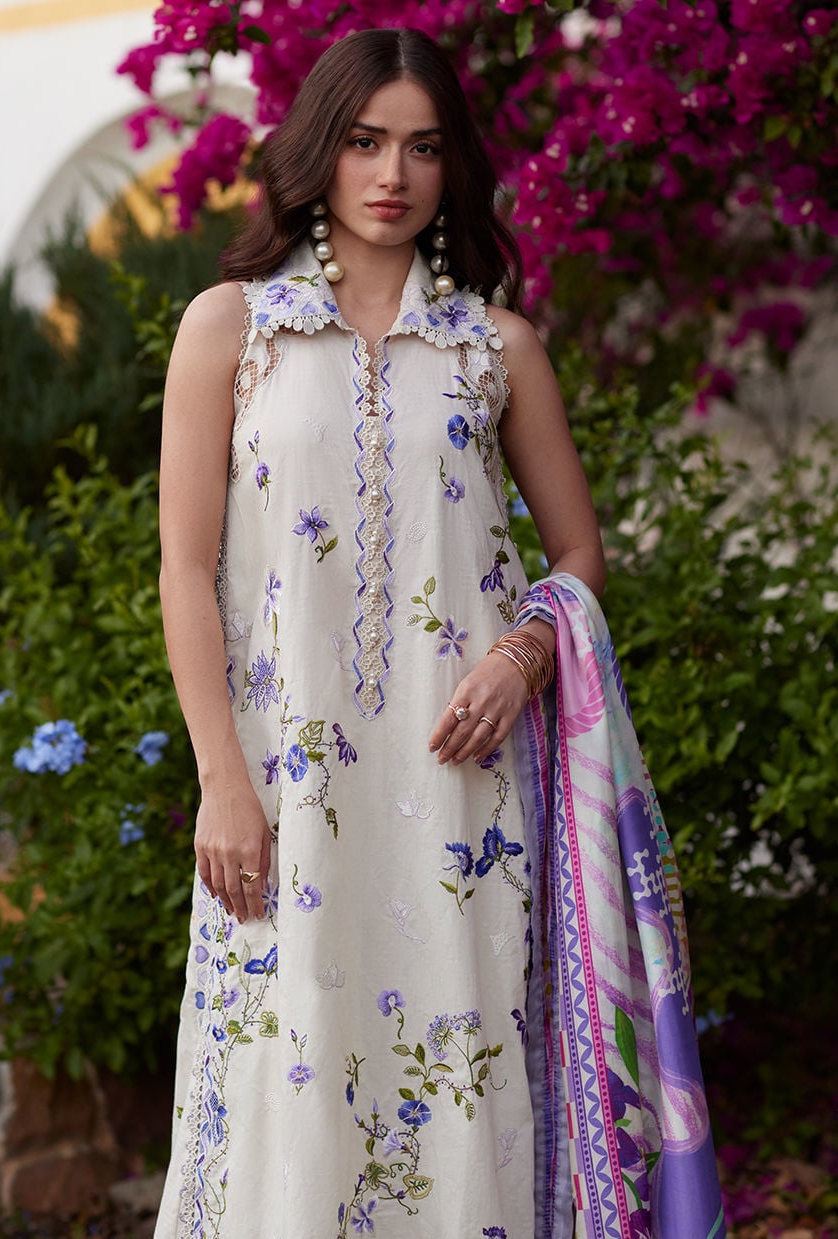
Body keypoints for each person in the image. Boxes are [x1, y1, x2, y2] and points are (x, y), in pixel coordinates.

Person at [154, 27, 725, 1239]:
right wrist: (222, 781)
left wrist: (524, 657)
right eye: (365, 142)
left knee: (461, 1068)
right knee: (285, 1066)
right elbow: (186, 569)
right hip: (287, 789)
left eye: (421, 147)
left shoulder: (494, 347)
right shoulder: (233, 329)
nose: (392, 175)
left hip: (461, 789)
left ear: (451, 164)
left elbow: (579, 556)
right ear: (318, 150)